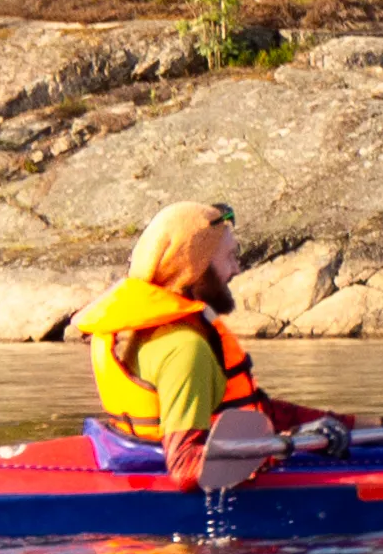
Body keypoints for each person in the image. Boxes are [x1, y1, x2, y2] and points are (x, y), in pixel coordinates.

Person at [84, 200, 355, 483]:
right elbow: (186, 466)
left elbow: (255, 411)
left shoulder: (161, 330)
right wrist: (288, 445)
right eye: (229, 257)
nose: (236, 269)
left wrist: (367, 425)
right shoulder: (186, 348)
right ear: (195, 267)